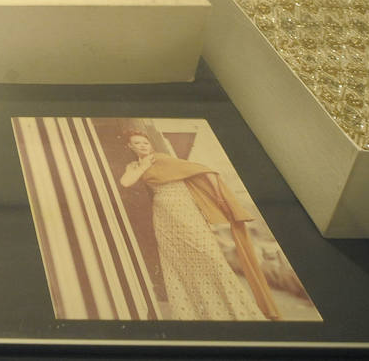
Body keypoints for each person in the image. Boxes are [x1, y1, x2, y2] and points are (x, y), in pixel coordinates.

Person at [118, 130, 279, 321]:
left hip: (186, 211)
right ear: (130, 147)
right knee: (177, 262)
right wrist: (143, 165)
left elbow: (204, 170)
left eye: (145, 142)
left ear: (150, 144)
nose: (143, 146)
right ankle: (194, 313)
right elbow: (126, 182)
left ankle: (236, 310)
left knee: (210, 257)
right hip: (163, 217)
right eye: (137, 143)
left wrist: (219, 196)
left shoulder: (162, 159)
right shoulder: (134, 165)